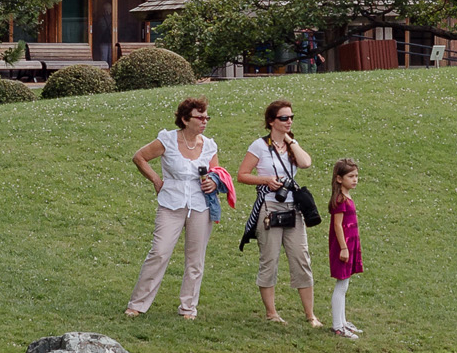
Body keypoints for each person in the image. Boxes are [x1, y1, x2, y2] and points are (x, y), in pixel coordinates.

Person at [127, 95, 220, 320]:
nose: (205, 121)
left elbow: (218, 172)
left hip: (200, 205)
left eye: (207, 117)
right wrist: (157, 181)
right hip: (171, 204)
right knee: (159, 252)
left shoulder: (209, 145)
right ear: (185, 119)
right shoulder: (167, 140)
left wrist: (213, 181)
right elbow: (139, 157)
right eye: (200, 117)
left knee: (195, 258)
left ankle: (188, 308)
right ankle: (137, 304)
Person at [242, 96, 322, 328]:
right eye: (284, 118)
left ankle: (310, 315)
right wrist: (266, 180)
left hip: (293, 208)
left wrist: (290, 141)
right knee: (270, 259)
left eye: (291, 118)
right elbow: (243, 174)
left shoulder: (291, 145)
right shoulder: (259, 145)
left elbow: (306, 163)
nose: (289, 121)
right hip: (270, 206)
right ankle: (271, 313)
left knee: (301, 258)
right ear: (271, 121)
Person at [325, 157, 366, 338]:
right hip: (344, 246)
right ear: (339, 179)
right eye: (351, 176)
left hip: (350, 245)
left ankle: (342, 321)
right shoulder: (340, 200)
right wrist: (343, 248)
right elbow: (337, 225)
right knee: (341, 285)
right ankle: (337, 325)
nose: (355, 179)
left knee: (345, 284)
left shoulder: (348, 197)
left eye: (356, 176)